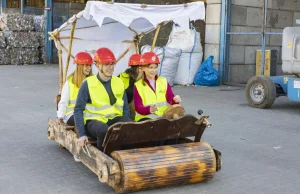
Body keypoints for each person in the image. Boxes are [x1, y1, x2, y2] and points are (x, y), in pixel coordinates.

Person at [74, 47, 132, 152]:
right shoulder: (88, 83)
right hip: (94, 121)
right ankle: (105, 157)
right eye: (106, 64)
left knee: (130, 127)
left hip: (113, 118)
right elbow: (78, 110)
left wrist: (127, 124)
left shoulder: (118, 82)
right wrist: (81, 134)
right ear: (97, 65)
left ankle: (125, 156)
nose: (111, 68)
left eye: (112, 64)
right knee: (104, 130)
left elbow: (125, 108)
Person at [133, 52, 182, 122]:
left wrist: (175, 100)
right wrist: (148, 109)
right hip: (145, 118)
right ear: (143, 68)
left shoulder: (163, 81)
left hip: (162, 116)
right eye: (150, 67)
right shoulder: (138, 85)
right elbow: (138, 107)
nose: (154, 70)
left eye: (155, 67)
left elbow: (170, 97)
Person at [56, 52, 93, 126]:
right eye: (86, 65)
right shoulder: (70, 83)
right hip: (71, 114)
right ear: (79, 66)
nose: (89, 68)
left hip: (88, 114)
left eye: (90, 65)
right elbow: (63, 102)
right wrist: (60, 116)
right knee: (85, 121)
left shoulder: (93, 81)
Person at [118, 54, 143, 119]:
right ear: (134, 68)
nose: (142, 70)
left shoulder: (145, 80)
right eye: (140, 68)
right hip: (122, 111)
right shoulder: (122, 77)